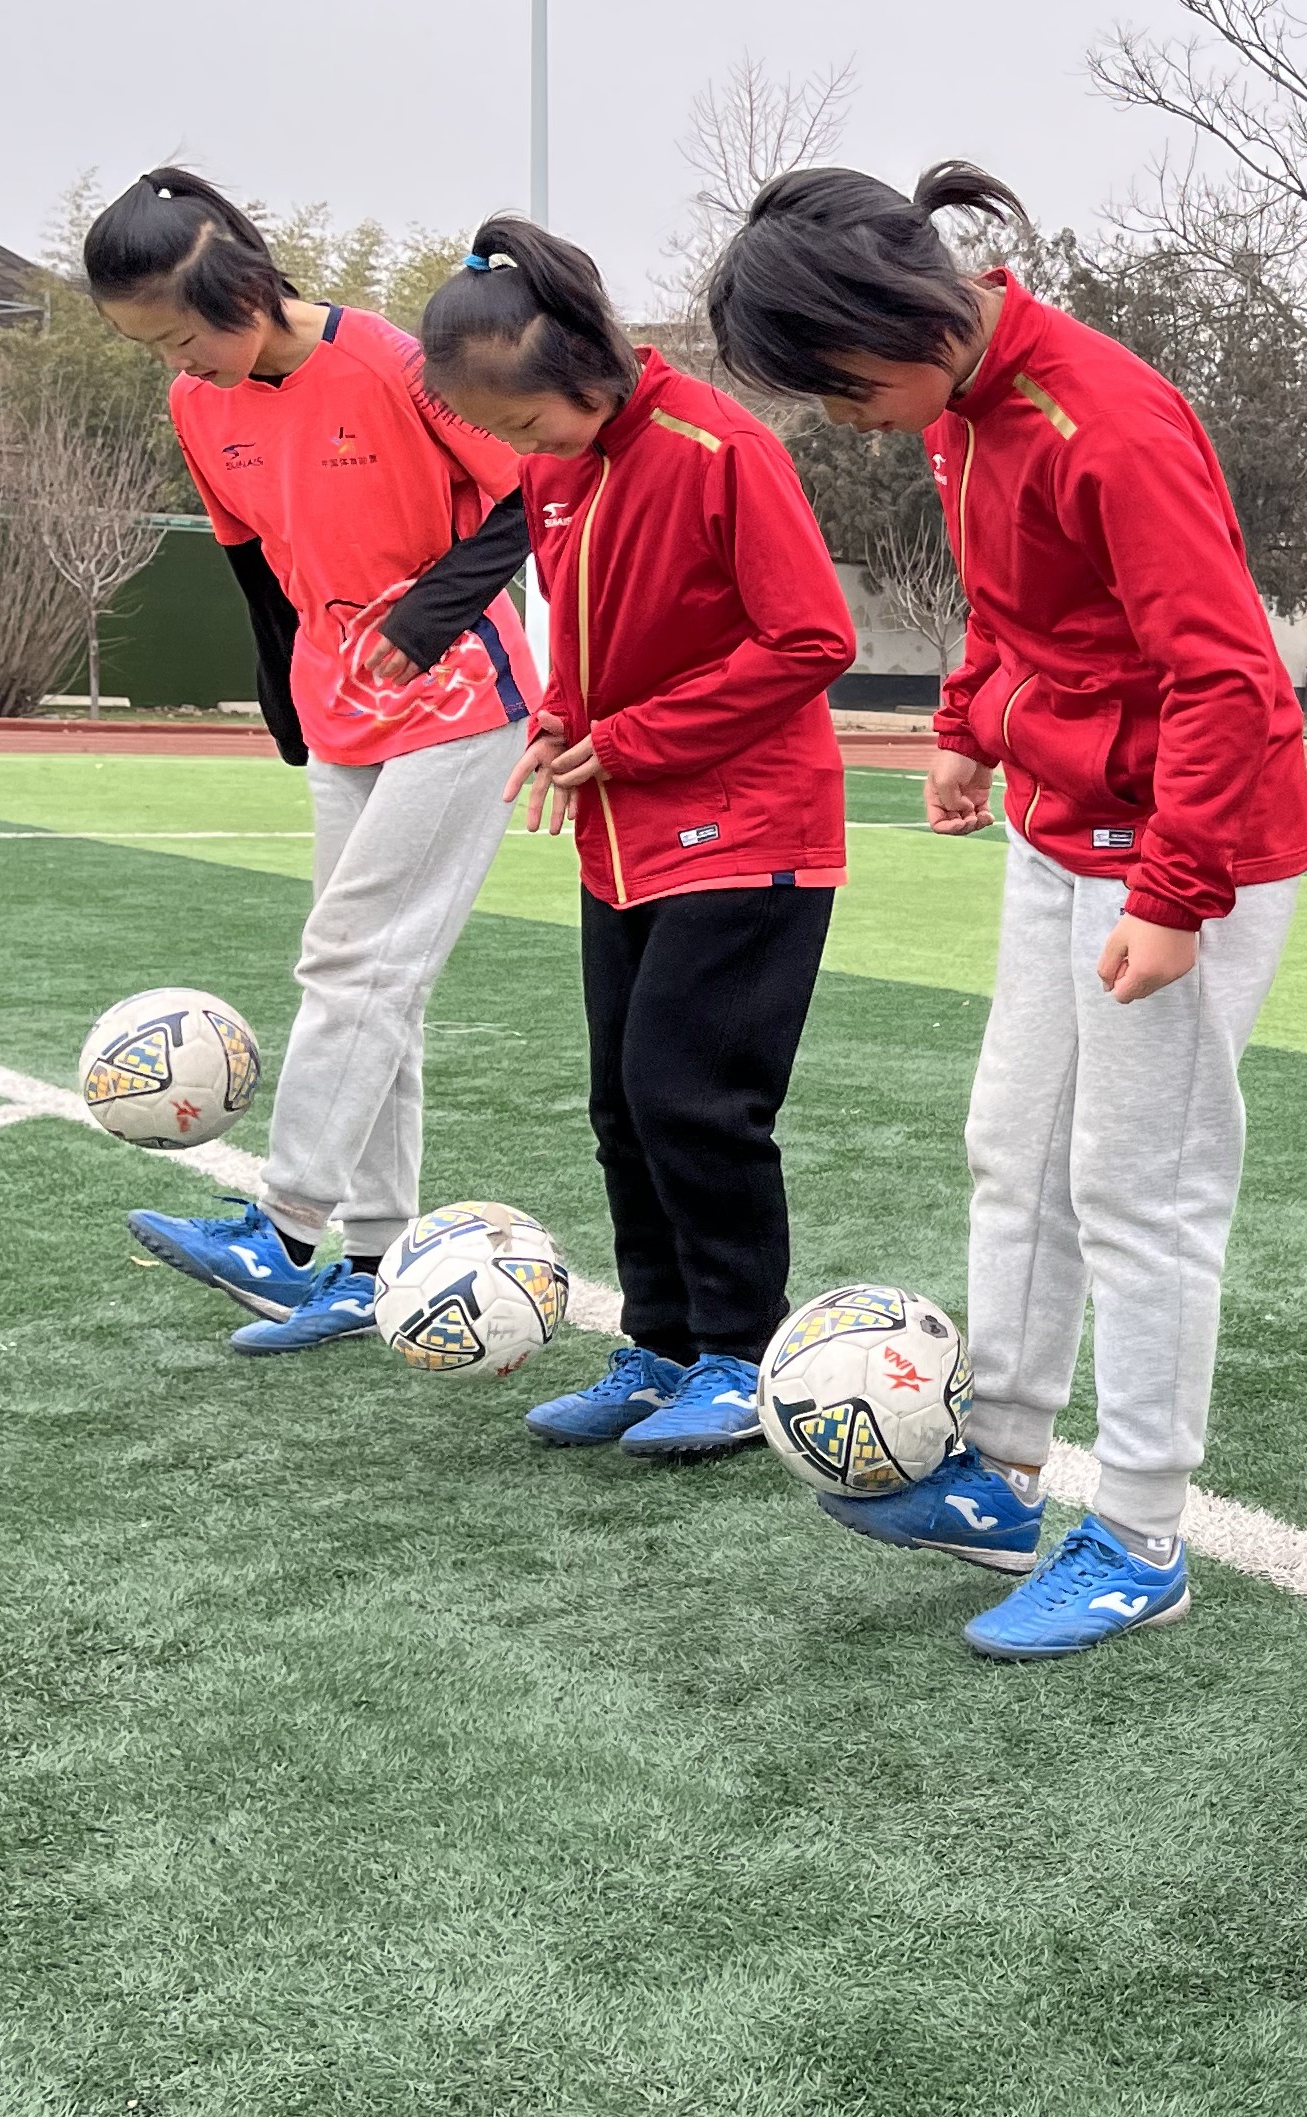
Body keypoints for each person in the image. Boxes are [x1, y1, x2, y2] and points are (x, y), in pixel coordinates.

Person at [699, 163, 1307, 1654]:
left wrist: (1174, 895)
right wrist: (973, 722)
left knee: (1140, 1189)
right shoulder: (960, 415)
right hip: (1064, 832)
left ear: (894, 318)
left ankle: (1146, 1533)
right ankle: (1001, 1470)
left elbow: (1229, 675)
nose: (845, 420)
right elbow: (1024, 607)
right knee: (1014, 1152)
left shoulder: (1102, 420)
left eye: (839, 389)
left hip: (1186, 843)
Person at [412, 217, 854, 1458]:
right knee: (621, 1100)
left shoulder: (721, 449)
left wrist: (638, 737)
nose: (520, 451)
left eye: (523, 422)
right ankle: (659, 1342)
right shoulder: (560, 472)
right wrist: (561, 721)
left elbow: (810, 638)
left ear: (588, 367)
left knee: (691, 1096)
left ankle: (738, 1353)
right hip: (625, 829)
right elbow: (596, 635)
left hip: (751, 827)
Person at [89, 171, 538, 1352]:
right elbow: (250, 557)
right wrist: (277, 681)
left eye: (182, 331)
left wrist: (422, 622)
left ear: (242, 286)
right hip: (341, 715)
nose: (176, 360)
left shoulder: (392, 363)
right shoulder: (202, 402)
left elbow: (530, 496)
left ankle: (283, 1230)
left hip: (460, 699)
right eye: (154, 346)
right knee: (382, 988)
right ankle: (370, 1262)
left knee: (355, 960)